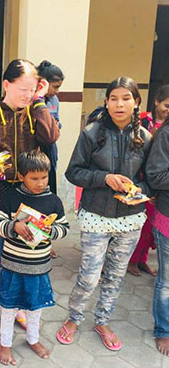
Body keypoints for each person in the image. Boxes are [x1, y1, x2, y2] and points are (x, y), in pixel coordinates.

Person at [56, 77, 151, 351]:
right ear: (107, 102)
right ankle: (74, 318)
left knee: (115, 275)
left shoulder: (144, 138)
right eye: (114, 98)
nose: (119, 104)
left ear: (136, 102)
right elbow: (73, 172)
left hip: (130, 219)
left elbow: (151, 179)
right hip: (96, 215)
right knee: (88, 275)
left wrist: (138, 188)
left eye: (126, 98)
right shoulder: (92, 133)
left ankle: (102, 320)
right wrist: (104, 178)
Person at [0, 59, 60, 339]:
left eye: (32, 89)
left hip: (27, 198)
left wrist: (40, 101)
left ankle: (16, 307)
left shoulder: (35, 112)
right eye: (23, 89)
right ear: (6, 85)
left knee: (21, 259)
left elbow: (51, 135)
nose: (27, 95)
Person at [0, 150, 69, 365]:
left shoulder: (53, 201)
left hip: (39, 267)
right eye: (34, 178)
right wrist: (14, 226)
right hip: (13, 265)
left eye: (44, 177)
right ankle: (5, 344)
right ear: (22, 175)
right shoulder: (11, 197)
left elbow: (64, 228)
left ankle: (33, 339)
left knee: (35, 308)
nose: (40, 183)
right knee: (9, 308)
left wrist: (49, 231)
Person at [127, 85, 169, 276]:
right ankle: (131, 261)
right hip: (144, 180)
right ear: (156, 102)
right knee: (141, 224)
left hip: (162, 185)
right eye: (166, 105)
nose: (168, 110)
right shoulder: (142, 122)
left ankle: (142, 259)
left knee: (152, 226)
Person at [146, 102, 169, 356]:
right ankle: (164, 330)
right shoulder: (166, 134)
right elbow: (156, 176)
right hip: (168, 217)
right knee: (166, 281)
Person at [36, 60, 65, 195]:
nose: (57, 91)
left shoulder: (54, 100)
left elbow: (57, 120)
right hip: (35, 147)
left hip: (50, 147)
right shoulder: (32, 99)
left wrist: (56, 125)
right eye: (55, 87)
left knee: (50, 180)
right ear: (43, 83)